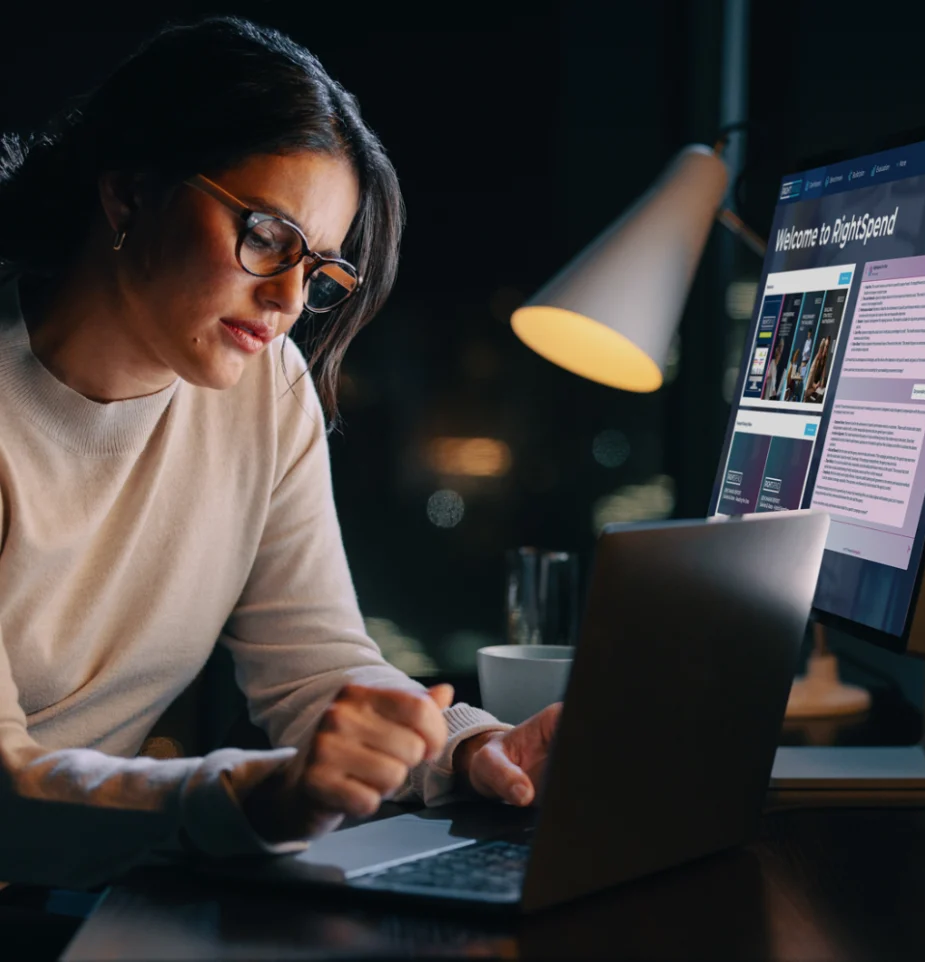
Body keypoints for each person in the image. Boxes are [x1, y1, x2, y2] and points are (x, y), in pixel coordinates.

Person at [0, 17, 559, 890]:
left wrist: (469, 747)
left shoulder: (265, 387)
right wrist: (261, 798)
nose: (290, 299)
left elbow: (316, 667)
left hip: (69, 892)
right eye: (266, 236)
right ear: (130, 192)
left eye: (319, 267)